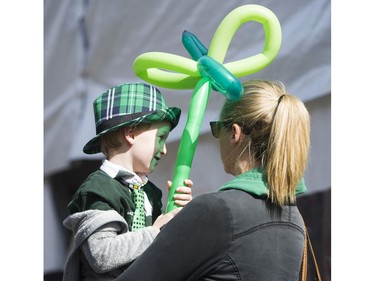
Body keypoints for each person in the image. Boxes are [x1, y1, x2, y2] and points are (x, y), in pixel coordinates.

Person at [115, 79, 311, 281]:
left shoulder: (218, 211)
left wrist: (166, 228)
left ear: (235, 133)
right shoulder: (294, 219)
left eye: (218, 129)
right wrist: (188, 222)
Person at [62, 82, 193, 281]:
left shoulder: (151, 193)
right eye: (161, 138)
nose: (165, 150)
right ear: (131, 134)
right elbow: (102, 255)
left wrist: (177, 217)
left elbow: (158, 252)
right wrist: (156, 231)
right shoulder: (98, 189)